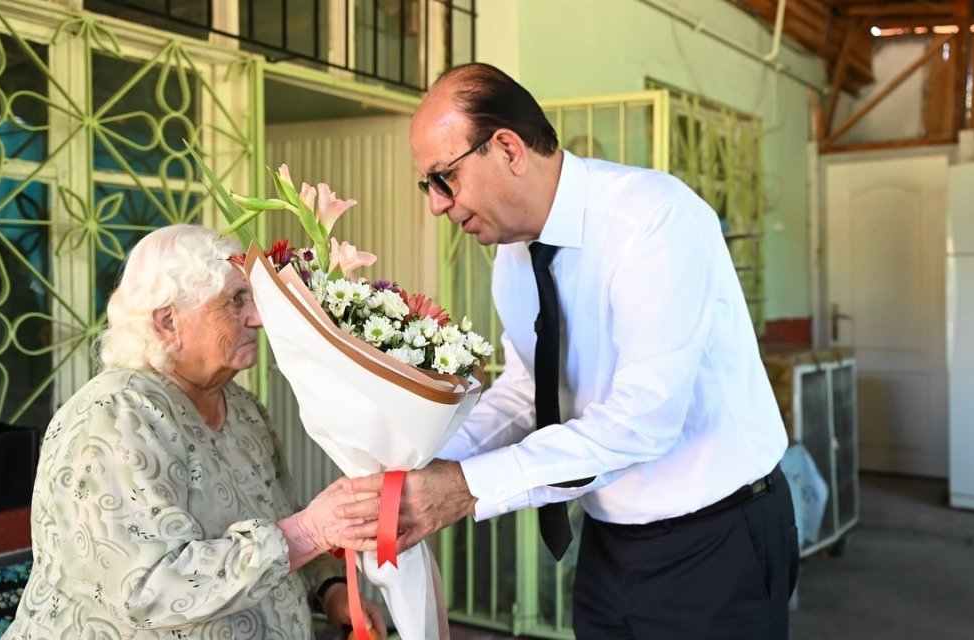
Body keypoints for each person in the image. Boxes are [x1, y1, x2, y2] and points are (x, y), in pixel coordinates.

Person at [341, 63, 798, 639]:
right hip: (610, 536)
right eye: (427, 185)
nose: (436, 205)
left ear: (507, 147)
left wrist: (463, 489)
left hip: (717, 537)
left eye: (444, 179)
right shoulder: (512, 257)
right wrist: (417, 462)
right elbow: (529, 388)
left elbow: (643, 423)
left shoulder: (652, 221)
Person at [4, 225, 386, 640]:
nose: (257, 318)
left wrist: (328, 590)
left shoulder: (243, 409)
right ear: (168, 322)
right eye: (234, 300)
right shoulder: (115, 416)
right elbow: (147, 588)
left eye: (251, 298)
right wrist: (311, 532)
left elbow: (280, 517)